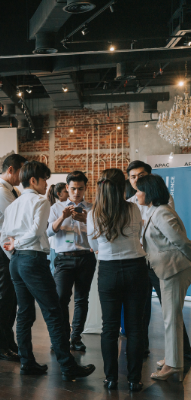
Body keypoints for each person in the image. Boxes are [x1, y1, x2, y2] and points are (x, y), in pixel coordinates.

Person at [1, 161, 95, 380]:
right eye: (45, 180)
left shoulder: (12, 205)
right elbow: (37, 232)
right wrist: (22, 248)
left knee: (24, 313)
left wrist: (15, 254)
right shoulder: (41, 202)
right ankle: (68, 366)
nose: (47, 185)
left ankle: (27, 362)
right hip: (33, 260)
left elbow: (4, 238)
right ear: (34, 180)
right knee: (53, 312)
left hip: (16, 262)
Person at [87, 168, 148, 391]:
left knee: (109, 328)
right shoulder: (133, 208)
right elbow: (139, 235)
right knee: (135, 328)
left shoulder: (93, 213)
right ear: (122, 187)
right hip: (135, 268)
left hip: (108, 270)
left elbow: (93, 245)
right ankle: (134, 380)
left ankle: (111, 378)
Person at [126, 160, 190, 360]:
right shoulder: (131, 202)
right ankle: (146, 349)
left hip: (163, 265)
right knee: (141, 309)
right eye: (133, 177)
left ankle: (181, 355)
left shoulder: (162, 203)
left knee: (170, 312)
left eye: (141, 176)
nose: (136, 180)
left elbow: (176, 238)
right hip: (141, 260)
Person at [137, 174, 191, 382]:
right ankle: (172, 357)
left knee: (171, 318)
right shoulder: (156, 211)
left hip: (174, 269)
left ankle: (174, 365)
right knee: (171, 316)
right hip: (169, 269)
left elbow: (182, 242)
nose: (137, 194)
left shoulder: (162, 213)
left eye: (139, 190)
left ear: (149, 192)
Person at [47, 171, 95, 352]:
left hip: (86, 258)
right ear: (67, 188)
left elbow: (100, 232)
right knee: (60, 299)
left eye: (80, 189)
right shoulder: (56, 208)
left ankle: (76, 338)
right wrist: (62, 217)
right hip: (63, 259)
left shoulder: (91, 208)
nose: (76, 193)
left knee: (82, 300)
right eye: (73, 188)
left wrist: (86, 219)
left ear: (85, 188)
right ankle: (62, 338)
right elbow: (48, 232)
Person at [0, 153, 26, 362]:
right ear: (11, 170)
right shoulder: (1, 192)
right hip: (1, 248)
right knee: (5, 299)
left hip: (9, 247)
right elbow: (20, 218)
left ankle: (8, 342)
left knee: (12, 299)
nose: (23, 176)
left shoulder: (13, 190)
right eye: (22, 171)